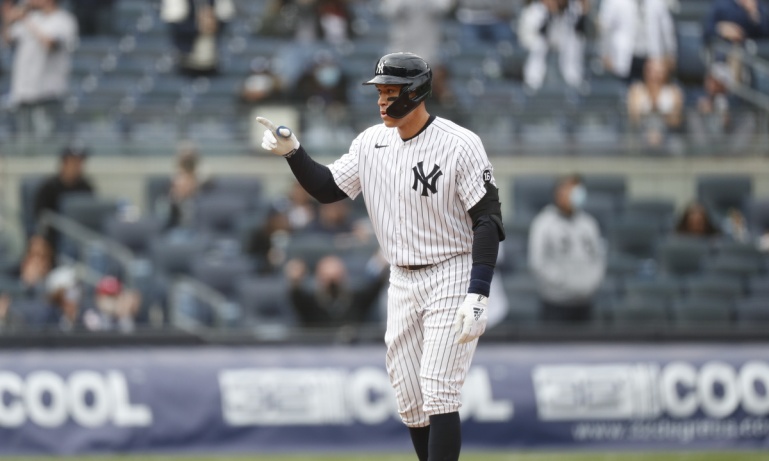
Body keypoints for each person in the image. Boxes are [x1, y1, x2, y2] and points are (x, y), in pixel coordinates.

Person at [256, 51, 505, 461]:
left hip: (451, 269)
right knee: (410, 399)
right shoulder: (371, 143)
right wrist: (293, 152)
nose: (382, 100)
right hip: (402, 278)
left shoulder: (460, 144)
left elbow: (487, 221)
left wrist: (478, 292)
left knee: (438, 389)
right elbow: (328, 188)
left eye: (391, 91)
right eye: (380, 91)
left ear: (416, 92)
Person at [528, 174, 607, 324]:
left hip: (585, 304)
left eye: (578, 189)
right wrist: (565, 283)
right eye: (570, 189)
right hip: (555, 305)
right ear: (558, 193)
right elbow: (538, 263)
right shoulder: (543, 223)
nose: (575, 194)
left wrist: (589, 284)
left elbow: (599, 259)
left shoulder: (589, 224)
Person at [2, 0, 78, 142]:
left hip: (48, 93)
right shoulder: (33, 18)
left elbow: (51, 44)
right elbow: (8, 40)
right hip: (24, 92)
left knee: (46, 142)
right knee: (24, 143)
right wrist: (7, 20)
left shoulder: (64, 20)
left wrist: (25, 19)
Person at [283, 253, 389, 329]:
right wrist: (295, 279)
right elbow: (295, 295)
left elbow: (376, 286)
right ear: (318, 277)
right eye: (326, 276)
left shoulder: (357, 299)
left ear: (344, 275)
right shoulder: (309, 303)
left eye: (336, 275)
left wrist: (381, 261)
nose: (332, 281)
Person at [32, 146, 95, 252]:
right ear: (64, 163)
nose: (78, 166)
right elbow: (41, 218)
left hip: (79, 239)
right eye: (74, 162)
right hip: (53, 239)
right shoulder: (48, 188)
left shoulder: (86, 188)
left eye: (80, 162)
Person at [598, 0, 676, 83]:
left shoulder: (658, 2)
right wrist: (605, 53)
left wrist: (670, 53)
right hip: (623, 54)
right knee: (622, 86)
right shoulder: (614, 2)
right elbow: (605, 28)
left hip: (650, 55)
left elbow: (667, 29)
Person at [518, 0, 589, 91]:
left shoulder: (573, 9)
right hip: (540, 46)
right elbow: (529, 35)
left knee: (573, 42)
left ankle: (574, 80)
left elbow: (579, 30)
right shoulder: (537, 10)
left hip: (562, 45)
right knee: (540, 44)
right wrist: (550, 12)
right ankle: (533, 82)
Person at [160, 0, 235, 78]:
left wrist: (214, 24)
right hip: (186, 62)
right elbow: (174, 24)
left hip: (214, 63)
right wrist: (197, 26)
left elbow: (227, 17)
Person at [626, 57, 684, 152]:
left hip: (667, 133)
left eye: (659, 72)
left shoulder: (674, 91)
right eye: (651, 71)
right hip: (642, 132)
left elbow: (676, 120)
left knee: (677, 145)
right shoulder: (636, 89)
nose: (654, 75)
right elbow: (634, 118)